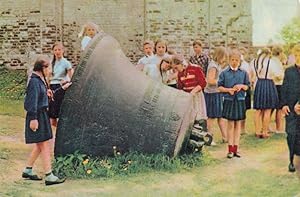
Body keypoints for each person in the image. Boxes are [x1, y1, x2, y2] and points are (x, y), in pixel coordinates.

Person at [23, 56, 65, 185]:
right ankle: (49, 175)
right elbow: (31, 102)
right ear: (43, 68)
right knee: (45, 144)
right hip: (37, 116)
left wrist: (62, 89)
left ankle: (28, 170)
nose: (50, 71)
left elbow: (43, 95)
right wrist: (34, 119)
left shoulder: (40, 80)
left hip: (41, 115)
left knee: (40, 145)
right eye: (49, 68)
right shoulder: (34, 82)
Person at [218, 49, 250, 158]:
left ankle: (236, 148)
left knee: (238, 125)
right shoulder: (224, 73)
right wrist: (228, 90)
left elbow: (247, 86)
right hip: (229, 100)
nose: (234, 62)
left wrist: (241, 86)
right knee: (230, 124)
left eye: (237, 60)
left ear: (240, 61)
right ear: (229, 60)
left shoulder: (244, 73)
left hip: (240, 100)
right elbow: (219, 87)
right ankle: (230, 149)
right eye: (232, 60)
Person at [251, 48, 283, 138]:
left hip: (259, 84)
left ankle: (257, 131)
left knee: (258, 110)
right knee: (267, 109)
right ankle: (265, 131)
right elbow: (278, 75)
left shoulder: (254, 61)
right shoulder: (270, 62)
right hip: (268, 83)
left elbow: (252, 73)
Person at [171, 54, 207, 129]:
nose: (176, 70)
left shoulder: (195, 68)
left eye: (176, 67)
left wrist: (194, 91)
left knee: (199, 116)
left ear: (181, 64)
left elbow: (203, 83)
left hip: (196, 95)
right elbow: (181, 87)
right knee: (190, 118)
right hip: (187, 97)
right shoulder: (180, 73)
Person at [281, 44, 300, 174]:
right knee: (291, 134)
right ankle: (291, 160)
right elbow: (284, 89)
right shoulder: (289, 71)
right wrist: (284, 105)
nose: (299, 57)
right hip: (291, 110)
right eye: (297, 55)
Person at [204, 46, 228, 143]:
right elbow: (210, 81)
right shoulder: (213, 66)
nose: (225, 59)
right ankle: (209, 138)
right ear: (220, 56)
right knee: (211, 117)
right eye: (224, 57)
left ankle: (225, 137)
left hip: (217, 93)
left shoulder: (217, 65)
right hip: (212, 94)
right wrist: (221, 82)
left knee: (220, 116)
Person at [48, 42, 73, 127]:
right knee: (51, 114)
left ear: (63, 51)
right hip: (51, 87)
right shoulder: (51, 63)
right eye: (55, 50)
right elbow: (48, 77)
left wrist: (65, 80)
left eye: (59, 49)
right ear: (53, 51)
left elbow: (71, 79)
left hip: (60, 88)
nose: (57, 51)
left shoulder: (66, 63)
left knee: (59, 112)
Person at [271, 45, 285, 133]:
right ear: (279, 53)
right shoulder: (275, 62)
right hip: (278, 85)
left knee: (273, 107)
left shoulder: (274, 61)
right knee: (279, 107)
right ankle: (279, 128)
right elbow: (277, 75)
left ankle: (267, 126)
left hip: (275, 85)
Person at [239, 47, 252, 135]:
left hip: (245, 88)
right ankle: (238, 128)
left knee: (244, 109)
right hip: (238, 89)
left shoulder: (247, 65)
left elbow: (250, 76)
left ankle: (242, 128)